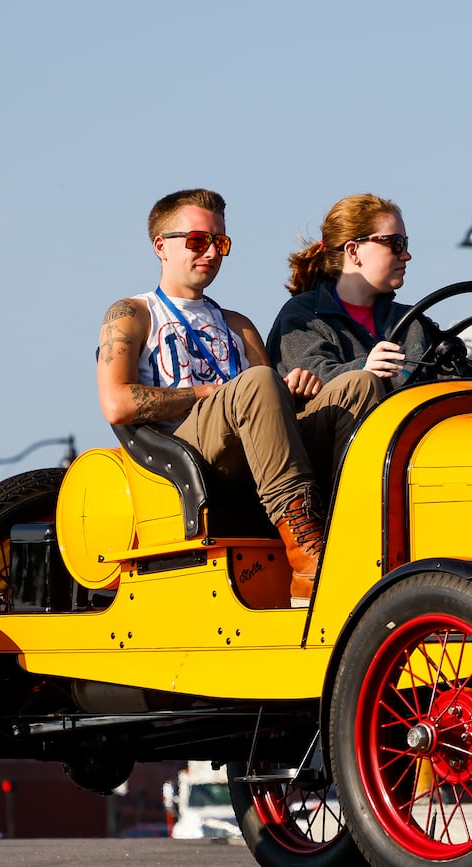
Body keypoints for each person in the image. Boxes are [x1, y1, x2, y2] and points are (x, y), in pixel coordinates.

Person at [97, 189, 382, 606]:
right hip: (188, 454)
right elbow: (117, 404)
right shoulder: (133, 313)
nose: (211, 252)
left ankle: (356, 531)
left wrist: (295, 395)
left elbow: (270, 400)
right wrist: (211, 392)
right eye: (198, 240)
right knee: (256, 382)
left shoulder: (238, 323)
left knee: (360, 385)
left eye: (221, 242)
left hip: (257, 451)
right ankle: (308, 560)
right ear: (161, 245)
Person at [266, 193, 472, 390]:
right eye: (395, 243)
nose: (407, 255)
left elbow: (448, 373)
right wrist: (363, 370)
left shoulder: (412, 324)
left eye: (406, 243)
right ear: (353, 251)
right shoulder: (304, 317)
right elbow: (309, 377)